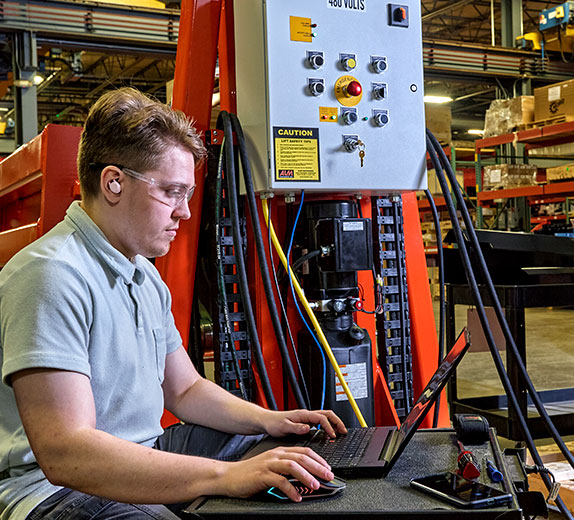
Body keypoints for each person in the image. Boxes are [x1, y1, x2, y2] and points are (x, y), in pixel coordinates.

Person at [0, 87, 346, 520]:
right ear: (113, 182)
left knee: (280, 454)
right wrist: (225, 476)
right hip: (56, 490)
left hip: (145, 449)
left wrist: (267, 420)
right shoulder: (52, 275)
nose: (184, 212)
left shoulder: (143, 274)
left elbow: (184, 389)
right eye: (172, 192)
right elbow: (67, 453)